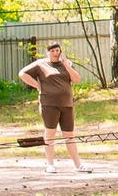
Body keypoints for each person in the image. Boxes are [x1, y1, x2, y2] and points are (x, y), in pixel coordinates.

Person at [19, 41, 85, 174]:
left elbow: (77, 79)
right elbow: (22, 74)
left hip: (66, 104)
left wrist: (67, 65)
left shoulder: (66, 64)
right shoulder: (41, 64)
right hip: (49, 104)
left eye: (57, 51)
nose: (55, 53)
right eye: (53, 51)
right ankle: (50, 164)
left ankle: (78, 164)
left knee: (69, 135)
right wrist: (38, 86)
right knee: (50, 133)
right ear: (47, 52)